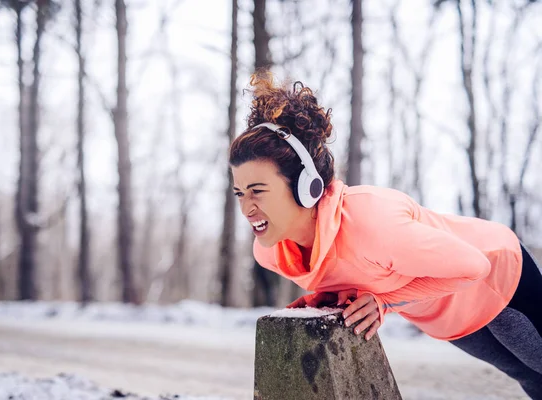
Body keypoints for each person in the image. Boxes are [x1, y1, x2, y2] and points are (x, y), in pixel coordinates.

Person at [229, 73, 542, 398]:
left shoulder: (369, 222)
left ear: (307, 188)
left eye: (258, 191)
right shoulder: (270, 252)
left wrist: (385, 302)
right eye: (239, 193)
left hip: (500, 276)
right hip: (446, 314)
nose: (247, 208)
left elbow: (475, 266)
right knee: (529, 377)